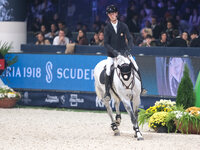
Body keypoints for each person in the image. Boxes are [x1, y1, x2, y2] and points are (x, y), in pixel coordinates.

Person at [104, 5, 145, 100]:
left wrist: (128, 49)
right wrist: (113, 51)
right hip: (112, 55)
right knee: (108, 70)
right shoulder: (107, 28)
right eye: (110, 14)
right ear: (108, 15)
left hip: (124, 52)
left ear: (117, 14)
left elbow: (130, 38)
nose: (112, 15)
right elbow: (106, 43)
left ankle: (141, 87)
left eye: (114, 13)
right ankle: (107, 92)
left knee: (135, 65)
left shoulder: (123, 25)